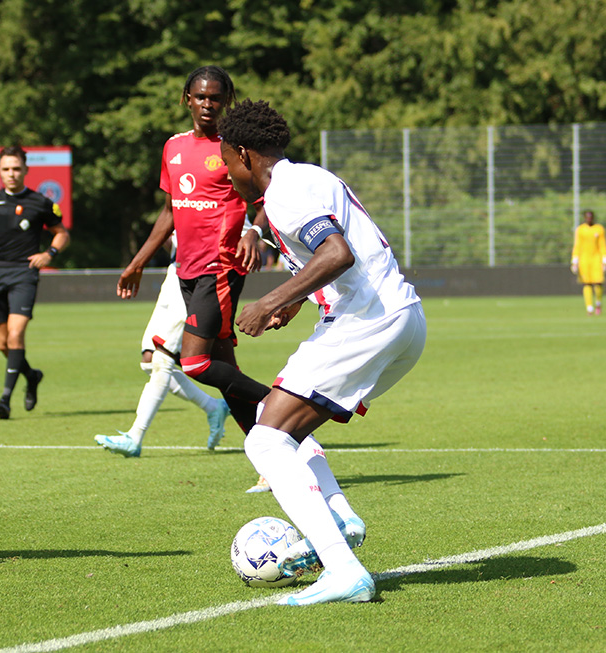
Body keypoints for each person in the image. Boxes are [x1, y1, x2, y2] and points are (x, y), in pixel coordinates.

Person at [218, 99, 426, 605]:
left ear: (244, 154)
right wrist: (294, 305)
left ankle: (342, 568)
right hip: (401, 321)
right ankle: (339, 517)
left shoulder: (285, 192)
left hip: (368, 323)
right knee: (280, 421)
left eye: (226, 160)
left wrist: (269, 298)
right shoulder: (307, 177)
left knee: (264, 442)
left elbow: (338, 253)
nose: (227, 172)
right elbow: (339, 258)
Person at [102, 65, 270, 460]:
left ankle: (280, 406)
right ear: (186, 99)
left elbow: (267, 198)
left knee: (195, 361)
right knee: (226, 368)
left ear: (227, 102)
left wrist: (254, 232)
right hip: (185, 271)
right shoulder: (173, 147)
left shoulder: (237, 148)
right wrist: (138, 262)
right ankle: (270, 451)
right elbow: (169, 212)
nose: (207, 104)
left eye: (215, 98)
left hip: (222, 268)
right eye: (201, 97)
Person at [94, 233, 231, 457]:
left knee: (162, 358)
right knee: (149, 359)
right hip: (173, 274)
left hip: (196, 276)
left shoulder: (221, 198)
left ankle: (134, 438)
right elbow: (170, 230)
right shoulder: (177, 198)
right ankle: (213, 407)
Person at [0, 145, 70, 420]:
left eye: (16, 169)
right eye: (6, 169)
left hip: (25, 273)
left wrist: (49, 254)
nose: (11, 174)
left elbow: (61, 234)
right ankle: (31, 376)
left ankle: (5, 399)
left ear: (26, 170)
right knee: (2, 344)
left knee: (15, 334)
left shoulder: (41, 203)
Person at [570, 209, 606, 315]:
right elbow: (577, 245)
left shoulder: (599, 229)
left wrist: (605, 260)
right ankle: (589, 308)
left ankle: (598, 303)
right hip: (584, 259)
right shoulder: (581, 230)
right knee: (587, 283)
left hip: (596, 258)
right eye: (587, 217)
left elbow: (602, 245)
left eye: (591, 217)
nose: (589, 219)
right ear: (584, 218)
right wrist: (574, 261)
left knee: (598, 283)